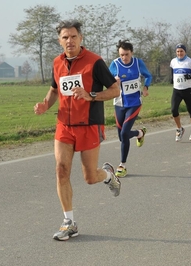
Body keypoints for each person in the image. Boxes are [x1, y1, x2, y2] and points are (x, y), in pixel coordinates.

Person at [34, 20, 121, 241]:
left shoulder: (94, 62)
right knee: (61, 170)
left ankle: (108, 175)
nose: (69, 41)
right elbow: (54, 90)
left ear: (81, 38)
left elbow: (114, 90)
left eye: (73, 36)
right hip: (64, 125)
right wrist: (45, 104)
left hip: (89, 125)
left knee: (90, 177)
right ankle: (69, 222)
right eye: (65, 37)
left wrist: (90, 95)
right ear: (59, 40)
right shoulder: (57, 63)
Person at [108, 39, 152, 177]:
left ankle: (122, 165)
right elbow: (106, 81)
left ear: (131, 52)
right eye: (121, 55)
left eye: (126, 54)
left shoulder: (138, 63)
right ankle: (139, 133)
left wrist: (145, 87)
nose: (124, 58)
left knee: (124, 133)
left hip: (134, 103)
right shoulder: (114, 64)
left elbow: (148, 76)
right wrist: (113, 82)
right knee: (122, 137)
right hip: (119, 104)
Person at [170, 43, 191, 142]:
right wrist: (171, 78)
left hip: (188, 90)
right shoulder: (173, 61)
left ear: (185, 52)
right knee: (173, 110)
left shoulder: (190, 62)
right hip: (176, 90)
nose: (179, 53)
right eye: (177, 51)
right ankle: (179, 128)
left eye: (181, 51)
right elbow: (171, 69)